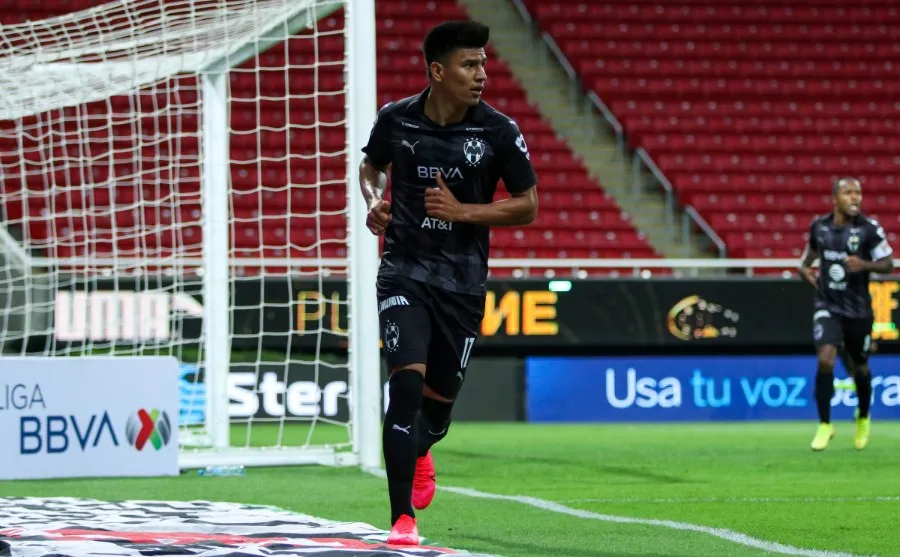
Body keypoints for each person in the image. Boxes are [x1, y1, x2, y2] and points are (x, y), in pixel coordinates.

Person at [358, 20, 538, 545]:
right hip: (404, 270)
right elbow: (371, 168)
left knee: (434, 416)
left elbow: (527, 205)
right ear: (438, 71)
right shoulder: (396, 119)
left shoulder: (498, 131)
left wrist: (465, 211)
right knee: (406, 384)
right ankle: (401, 522)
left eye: (483, 63)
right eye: (470, 64)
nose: (482, 73)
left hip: (461, 283)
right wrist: (375, 204)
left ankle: (422, 448)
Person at [798, 177, 893, 452]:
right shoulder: (820, 227)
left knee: (860, 367)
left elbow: (888, 264)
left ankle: (863, 417)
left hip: (859, 310)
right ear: (835, 198)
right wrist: (808, 275)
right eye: (848, 193)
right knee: (825, 358)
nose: (855, 198)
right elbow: (807, 262)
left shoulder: (869, 229)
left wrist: (863, 264)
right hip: (828, 306)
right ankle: (825, 424)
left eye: (858, 193)